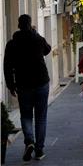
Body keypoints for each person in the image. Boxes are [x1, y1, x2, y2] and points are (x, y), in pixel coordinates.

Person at [4, 14, 51, 162]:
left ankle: (29, 141)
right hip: (41, 82)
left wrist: (11, 85)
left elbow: (7, 66)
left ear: (18, 25)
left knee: (26, 116)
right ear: (30, 25)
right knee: (41, 117)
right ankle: (39, 150)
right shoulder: (37, 39)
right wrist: (35, 33)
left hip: (23, 85)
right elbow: (47, 50)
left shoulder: (12, 44)